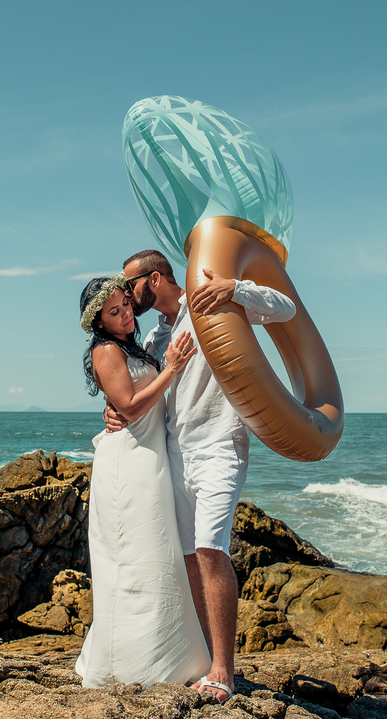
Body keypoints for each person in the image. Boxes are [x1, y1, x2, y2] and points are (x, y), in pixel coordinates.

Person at [108, 250, 296, 702]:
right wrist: (113, 410)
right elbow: (137, 391)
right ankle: (209, 661)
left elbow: (286, 309)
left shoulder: (214, 303)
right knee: (191, 556)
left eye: (130, 288)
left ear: (154, 278)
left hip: (219, 447)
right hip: (175, 454)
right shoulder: (155, 339)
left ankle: (225, 673)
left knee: (212, 549)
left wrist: (235, 288)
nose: (128, 301)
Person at [74, 273, 212, 688]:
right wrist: (171, 369)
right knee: (130, 558)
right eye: (114, 313)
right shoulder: (104, 352)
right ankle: (126, 664)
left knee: (157, 555)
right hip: (126, 466)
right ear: (99, 322)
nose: (126, 316)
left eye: (127, 306)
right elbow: (130, 408)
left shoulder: (136, 346)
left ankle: (169, 657)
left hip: (150, 461)